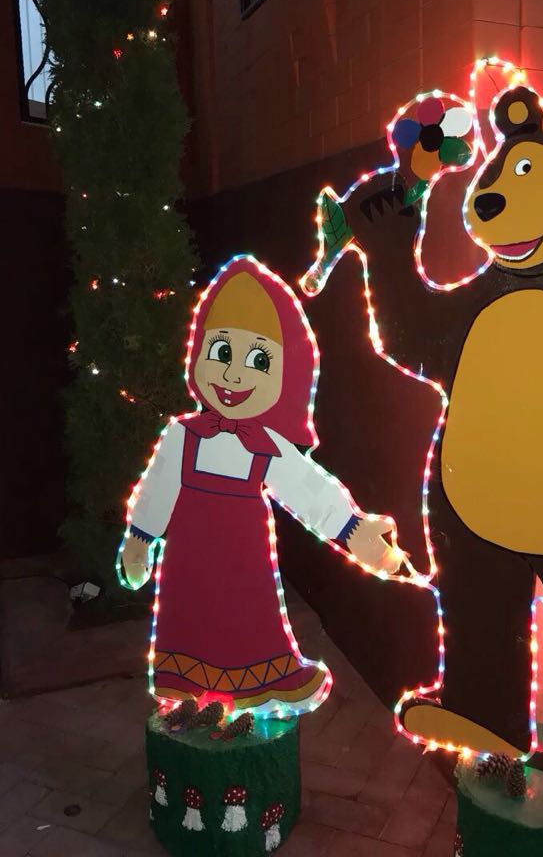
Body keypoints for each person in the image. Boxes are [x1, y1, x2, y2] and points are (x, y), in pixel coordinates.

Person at [118, 255, 402, 714]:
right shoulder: (181, 435)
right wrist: (139, 538)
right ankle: (186, 686)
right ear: (198, 354)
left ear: (285, 374)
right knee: (188, 615)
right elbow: (157, 489)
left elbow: (308, 489)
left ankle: (254, 687)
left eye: (258, 360)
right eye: (221, 352)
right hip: (188, 560)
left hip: (244, 564)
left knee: (246, 619)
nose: (233, 374)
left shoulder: (266, 445)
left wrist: (353, 530)